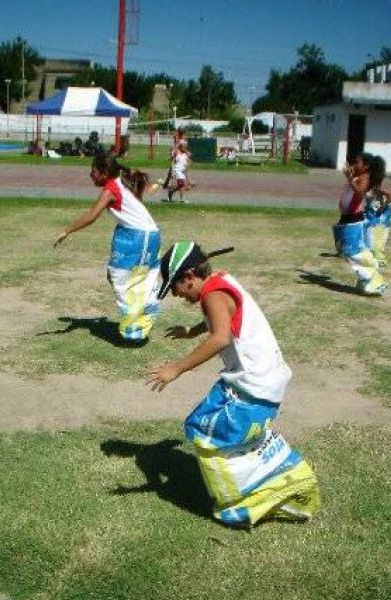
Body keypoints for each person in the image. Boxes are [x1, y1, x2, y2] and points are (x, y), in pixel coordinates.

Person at [146, 242, 321, 527]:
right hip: (255, 379)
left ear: (189, 277)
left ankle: (261, 490)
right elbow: (223, 320)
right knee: (204, 424)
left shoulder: (213, 294)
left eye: (176, 288)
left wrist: (176, 369)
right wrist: (192, 331)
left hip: (254, 384)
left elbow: (220, 338)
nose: (177, 295)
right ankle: (271, 469)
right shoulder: (221, 282)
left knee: (206, 432)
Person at [54, 153, 161, 342]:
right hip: (144, 234)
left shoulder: (111, 188)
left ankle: (138, 324)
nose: (91, 176)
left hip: (140, 236)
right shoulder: (120, 182)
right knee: (119, 276)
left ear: (104, 173)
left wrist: (66, 231)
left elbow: (91, 216)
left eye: (93, 172)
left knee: (123, 277)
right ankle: (140, 315)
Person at [332, 152, 386, 295]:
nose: (355, 165)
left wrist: (350, 179)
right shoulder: (358, 176)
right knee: (346, 249)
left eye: (358, 163)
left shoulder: (365, 177)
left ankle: (374, 279)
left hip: (354, 218)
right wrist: (350, 176)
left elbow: (361, 191)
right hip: (347, 217)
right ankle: (366, 277)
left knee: (353, 251)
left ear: (366, 166)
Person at [363, 155, 391, 269]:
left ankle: (378, 263)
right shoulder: (370, 181)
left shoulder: (375, 185)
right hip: (373, 215)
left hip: (379, 216)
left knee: (374, 244)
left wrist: (383, 206)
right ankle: (376, 262)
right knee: (371, 243)